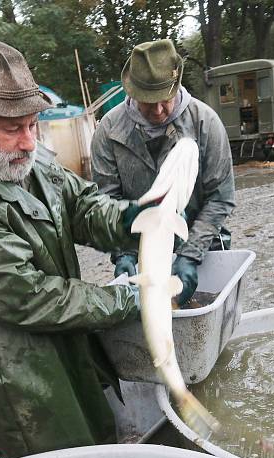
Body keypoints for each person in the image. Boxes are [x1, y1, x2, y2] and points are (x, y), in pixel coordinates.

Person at [0, 40, 143, 458]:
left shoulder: (28, 158)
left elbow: (82, 205)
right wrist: (127, 298)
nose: (28, 142)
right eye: (12, 129)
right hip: (20, 373)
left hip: (65, 341)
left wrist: (134, 221)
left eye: (33, 125)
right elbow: (31, 297)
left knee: (98, 444)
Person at [91, 39, 235, 305]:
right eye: (148, 102)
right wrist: (123, 252)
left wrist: (190, 254)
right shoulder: (108, 132)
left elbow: (220, 197)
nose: (158, 110)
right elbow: (106, 201)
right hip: (144, 251)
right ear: (131, 91)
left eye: (165, 99)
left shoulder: (205, 123)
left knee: (207, 317)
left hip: (202, 245)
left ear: (177, 84)